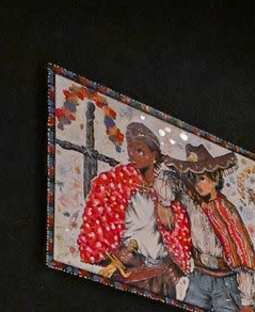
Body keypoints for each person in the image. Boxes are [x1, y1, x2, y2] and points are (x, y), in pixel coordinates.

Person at [71, 119, 176, 299]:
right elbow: (98, 227)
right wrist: (117, 252)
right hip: (129, 273)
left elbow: (176, 232)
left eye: (140, 151)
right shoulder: (115, 183)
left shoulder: (167, 188)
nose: (132, 155)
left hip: (162, 277)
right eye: (131, 150)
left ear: (154, 155)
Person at [168, 150, 255, 312]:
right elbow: (168, 184)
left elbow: (242, 255)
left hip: (225, 282)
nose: (198, 184)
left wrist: (248, 303)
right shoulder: (191, 202)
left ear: (215, 179)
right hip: (199, 276)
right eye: (195, 178)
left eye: (203, 178)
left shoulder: (227, 211)